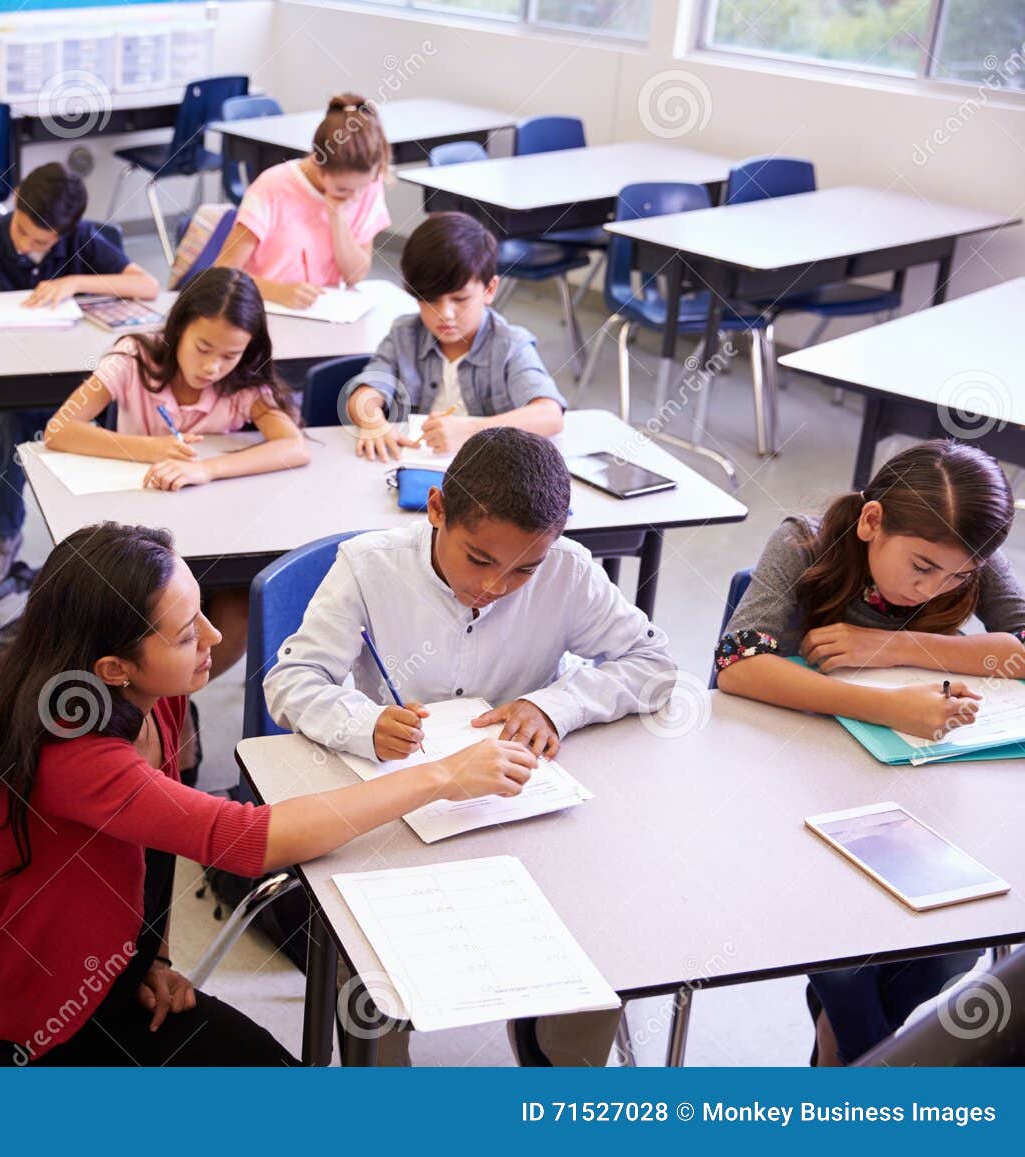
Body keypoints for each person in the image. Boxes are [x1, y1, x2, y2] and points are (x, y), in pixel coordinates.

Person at [0, 521, 542, 1066]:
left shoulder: (156, 701)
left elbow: (153, 851)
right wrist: (441, 776)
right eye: (189, 633)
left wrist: (146, 960)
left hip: (111, 989)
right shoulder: (75, 758)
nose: (216, 638)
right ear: (115, 668)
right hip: (9, 1045)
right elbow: (242, 841)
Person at [264, 427, 674, 1065]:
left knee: (594, 952)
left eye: (525, 569)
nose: (498, 586)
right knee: (378, 982)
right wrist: (363, 723)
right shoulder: (369, 565)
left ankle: (551, 1053)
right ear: (436, 511)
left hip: (522, 808)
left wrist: (555, 705)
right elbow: (291, 681)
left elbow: (652, 661)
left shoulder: (568, 571)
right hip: (402, 809)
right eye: (480, 560)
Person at [716, 438, 1024, 1064]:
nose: (936, 590)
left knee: (953, 940)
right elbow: (738, 666)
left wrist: (893, 647)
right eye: (920, 568)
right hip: (793, 789)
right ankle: (863, 1068)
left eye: (959, 578)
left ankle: (849, 1059)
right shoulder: (806, 543)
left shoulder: (961, 550)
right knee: (840, 943)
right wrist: (889, 704)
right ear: (872, 521)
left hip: (920, 793)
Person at [44, 266, 307, 683]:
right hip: (141, 532)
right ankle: (157, 694)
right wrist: (151, 449)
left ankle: (176, 698)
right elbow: (59, 430)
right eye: (203, 347)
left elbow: (293, 446)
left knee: (240, 606)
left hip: (214, 532)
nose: (212, 366)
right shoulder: (136, 358)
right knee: (149, 620)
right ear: (179, 327)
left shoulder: (242, 385)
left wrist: (205, 469)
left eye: (230, 354)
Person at [0, 162, 160, 588]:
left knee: (118, 422)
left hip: (80, 385)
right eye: (21, 229)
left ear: (66, 232)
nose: (24, 244)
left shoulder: (82, 240)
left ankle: (109, 547)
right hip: (11, 381)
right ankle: (3, 538)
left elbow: (148, 286)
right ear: (17, 199)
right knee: (8, 431)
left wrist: (75, 282)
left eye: (40, 240)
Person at [346, 211, 565, 461]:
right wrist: (372, 420)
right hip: (416, 471)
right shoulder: (404, 335)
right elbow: (365, 392)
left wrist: (471, 431)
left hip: (486, 477)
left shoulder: (509, 344)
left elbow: (550, 414)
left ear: (490, 289)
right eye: (429, 300)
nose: (445, 314)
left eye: (460, 299)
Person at [217, 94, 390, 310]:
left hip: (325, 314)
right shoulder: (272, 187)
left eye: (362, 188)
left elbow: (355, 276)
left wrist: (337, 216)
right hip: (263, 312)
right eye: (343, 189)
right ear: (318, 162)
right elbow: (223, 273)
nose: (355, 197)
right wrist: (276, 292)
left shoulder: (369, 186)